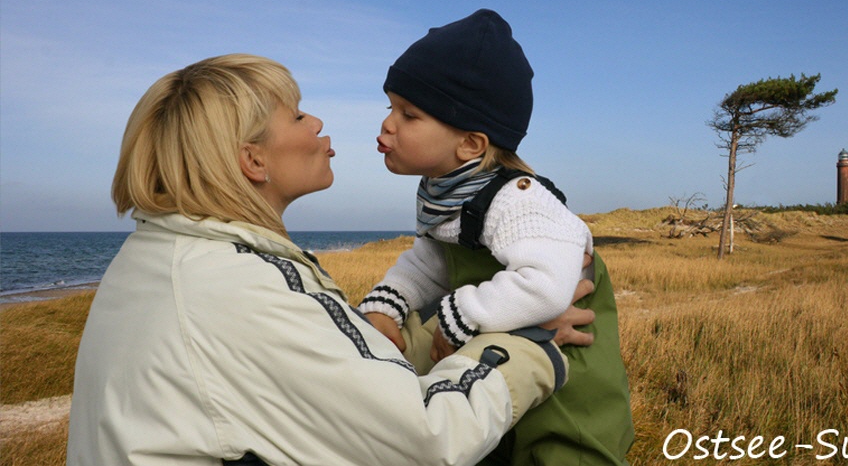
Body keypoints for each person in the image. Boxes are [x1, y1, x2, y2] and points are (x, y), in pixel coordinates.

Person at [66, 53, 591, 466]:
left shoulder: (178, 257)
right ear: (253, 160)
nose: (316, 119)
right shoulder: (234, 285)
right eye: (296, 115)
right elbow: (427, 439)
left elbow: (343, 378)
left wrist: (389, 322)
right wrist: (525, 341)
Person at [360, 10, 634, 465]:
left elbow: (546, 286)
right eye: (389, 106)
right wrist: (387, 302)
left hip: (564, 358)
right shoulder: (444, 190)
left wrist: (458, 315)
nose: (389, 123)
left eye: (409, 114)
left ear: (471, 144)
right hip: (509, 346)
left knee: (562, 449)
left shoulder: (518, 201)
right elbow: (430, 260)